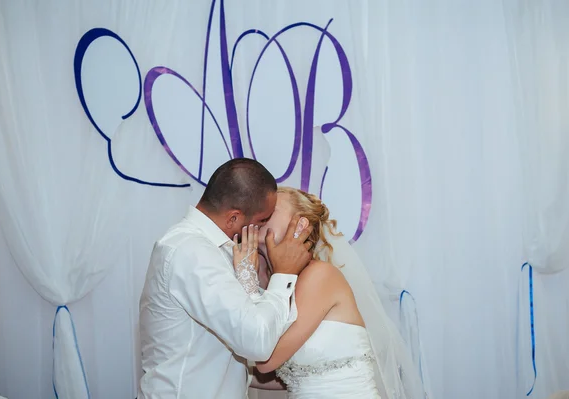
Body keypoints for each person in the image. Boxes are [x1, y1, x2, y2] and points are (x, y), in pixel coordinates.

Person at [138, 159, 314, 399]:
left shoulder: (216, 250)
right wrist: (284, 274)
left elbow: (236, 349)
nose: (263, 228)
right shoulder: (191, 252)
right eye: (263, 220)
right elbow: (257, 342)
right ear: (234, 218)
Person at [237, 187, 426, 399]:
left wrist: (248, 284)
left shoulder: (320, 276)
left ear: (301, 225)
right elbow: (295, 375)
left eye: (272, 210)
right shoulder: (279, 290)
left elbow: (265, 361)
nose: (260, 214)